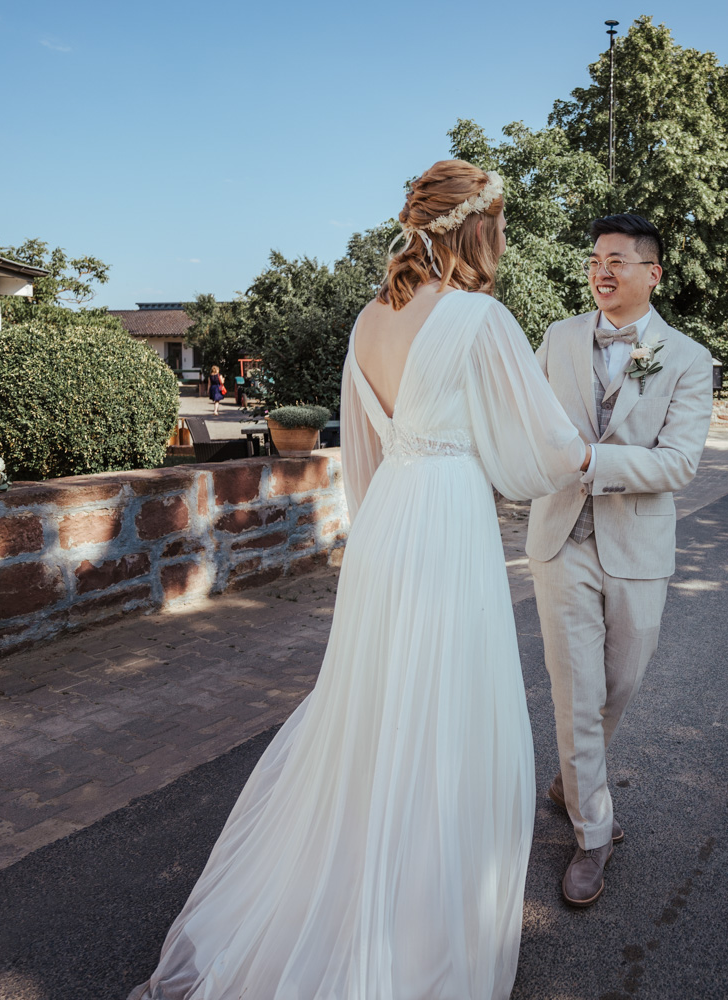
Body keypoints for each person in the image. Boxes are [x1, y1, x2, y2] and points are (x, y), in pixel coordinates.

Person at [128, 160, 589, 1000]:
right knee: (445, 712)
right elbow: (540, 455)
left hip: (388, 526)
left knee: (376, 710)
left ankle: (358, 891)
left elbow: (365, 453)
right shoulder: (480, 318)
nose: (506, 238)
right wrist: (592, 453)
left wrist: (377, 528)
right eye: (502, 225)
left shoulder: (369, 319)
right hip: (447, 521)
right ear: (476, 229)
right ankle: (417, 932)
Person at [526, 213, 714, 907]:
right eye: (595, 259)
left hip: (637, 547)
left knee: (619, 684)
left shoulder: (688, 358)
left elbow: (679, 463)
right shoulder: (557, 337)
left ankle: (572, 778)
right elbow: (531, 427)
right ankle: (593, 835)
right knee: (576, 690)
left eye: (618, 260)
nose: (602, 271)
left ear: (652, 272)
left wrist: (591, 458)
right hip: (561, 538)